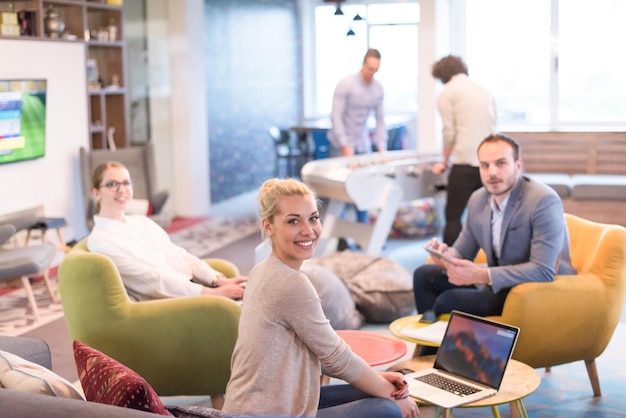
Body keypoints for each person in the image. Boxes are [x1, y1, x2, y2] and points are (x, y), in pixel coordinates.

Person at [222, 178, 418, 418]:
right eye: (293, 221)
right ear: (269, 226)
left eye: (313, 218)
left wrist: (377, 380)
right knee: (386, 409)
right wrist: (388, 393)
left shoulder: (263, 270)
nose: (308, 229)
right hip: (264, 413)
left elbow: (321, 350)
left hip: (269, 402)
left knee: (375, 394)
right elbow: (336, 357)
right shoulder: (289, 282)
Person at [413, 133, 577, 318]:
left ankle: (441, 345)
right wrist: (445, 257)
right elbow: (463, 250)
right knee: (424, 276)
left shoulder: (543, 201)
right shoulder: (478, 199)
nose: (492, 172)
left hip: (534, 289)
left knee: (450, 300)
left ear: (518, 166)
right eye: (485, 165)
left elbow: (543, 270)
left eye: (501, 163)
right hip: (498, 283)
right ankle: (429, 344)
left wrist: (482, 275)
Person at [87, 161, 247, 301]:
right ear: (96, 193)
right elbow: (152, 280)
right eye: (112, 184)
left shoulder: (142, 222)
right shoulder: (101, 241)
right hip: (167, 303)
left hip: (190, 289)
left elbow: (179, 254)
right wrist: (211, 293)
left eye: (126, 183)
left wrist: (217, 279)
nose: (122, 190)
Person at [431, 55, 497, 245]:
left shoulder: (448, 92)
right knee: (489, 215)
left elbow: (449, 133)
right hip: (489, 164)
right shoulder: (484, 91)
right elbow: (493, 127)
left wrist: (443, 162)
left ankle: (447, 264)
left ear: (442, 75)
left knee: (453, 216)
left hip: (465, 164)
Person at [327, 48, 385, 246]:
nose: (372, 73)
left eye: (376, 69)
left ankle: (364, 236)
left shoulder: (378, 89)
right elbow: (336, 116)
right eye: (369, 68)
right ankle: (339, 238)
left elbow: (379, 120)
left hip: (362, 143)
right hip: (342, 143)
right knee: (341, 192)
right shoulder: (346, 85)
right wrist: (345, 145)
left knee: (365, 190)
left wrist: (382, 146)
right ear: (363, 65)